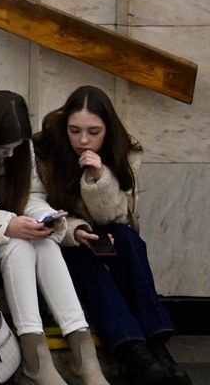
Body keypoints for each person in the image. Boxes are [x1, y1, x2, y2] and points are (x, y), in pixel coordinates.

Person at [0, 91, 110, 385]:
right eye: (5, 149)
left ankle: (83, 357)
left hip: (5, 239)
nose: (11, 155)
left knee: (42, 241)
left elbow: (32, 194)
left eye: (17, 148)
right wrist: (8, 226)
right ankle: (37, 362)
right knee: (18, 245)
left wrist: (43, 218)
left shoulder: (16, 145)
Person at [34, 86, 190, 385]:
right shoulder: (46, 149)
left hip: (110, 227)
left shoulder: (125, 149)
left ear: (108, 129)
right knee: (79, 255)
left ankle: (156, 346)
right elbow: (36, 204)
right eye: (74, 130)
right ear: (64, 126)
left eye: (94, 132)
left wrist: (98, 177)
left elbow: (117, 215)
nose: (83, 140)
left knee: (128, 239)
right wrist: (75, 231)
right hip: (63, 233)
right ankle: (133, 349)